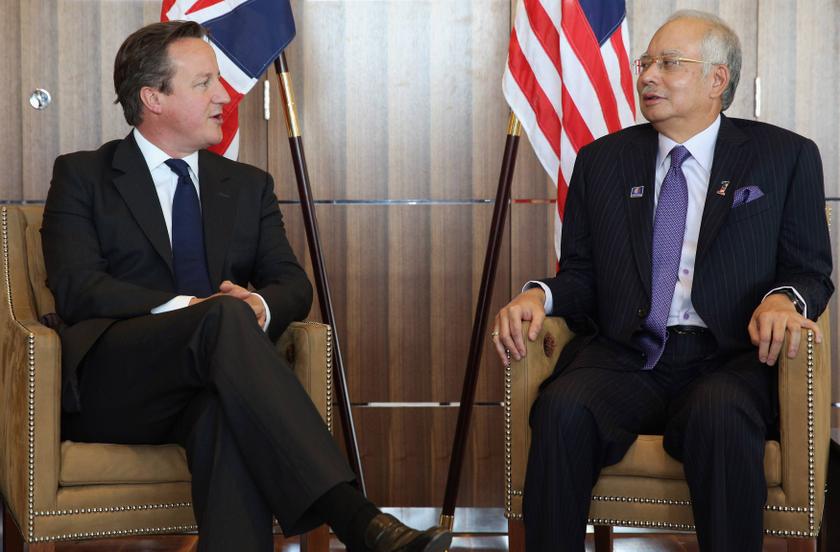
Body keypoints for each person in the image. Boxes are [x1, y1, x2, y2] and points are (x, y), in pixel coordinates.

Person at [41, 21, 451, 552]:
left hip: (214, 383)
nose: (223, 95)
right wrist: (193, 307)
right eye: (204, 83)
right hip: (117, 387)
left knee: (226, 419)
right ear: (153, 98)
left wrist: (256, 303)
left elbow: (291, 284)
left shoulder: (247, 186)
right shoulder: (83, 176)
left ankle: (358, 523)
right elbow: (78, 287)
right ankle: (354, 517)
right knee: (220, 318)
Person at [491, 10, 833, 552]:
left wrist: (780, 300)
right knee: (561, 410)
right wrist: (541, 293)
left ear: (716, 80)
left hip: (728, 357)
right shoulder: (602, 161)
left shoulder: (784, 157)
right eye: (645, 62)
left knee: (720, 418)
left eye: (669, 64)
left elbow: (809, 270)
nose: (647, 76)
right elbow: (580, 275)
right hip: (629, 355)